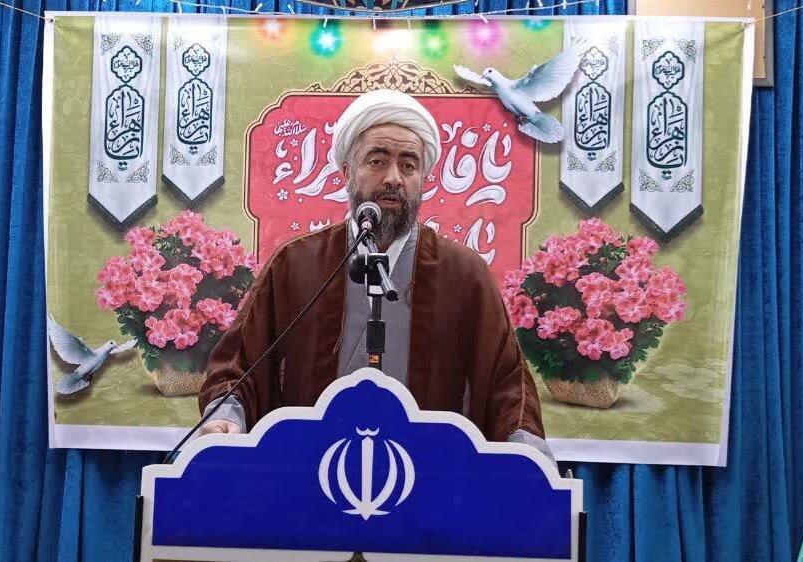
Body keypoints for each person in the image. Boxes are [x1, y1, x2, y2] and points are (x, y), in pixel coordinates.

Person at [198, 89, 552, 460]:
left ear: (423, 180)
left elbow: (507, 382)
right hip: (308, 470)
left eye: (409, 166)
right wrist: (226, 415)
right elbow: (240, 362)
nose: (394, 178)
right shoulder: (296, 262)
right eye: (377, 161)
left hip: (430, 473)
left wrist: (523, 446)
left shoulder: (464, 273)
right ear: (347, 172)